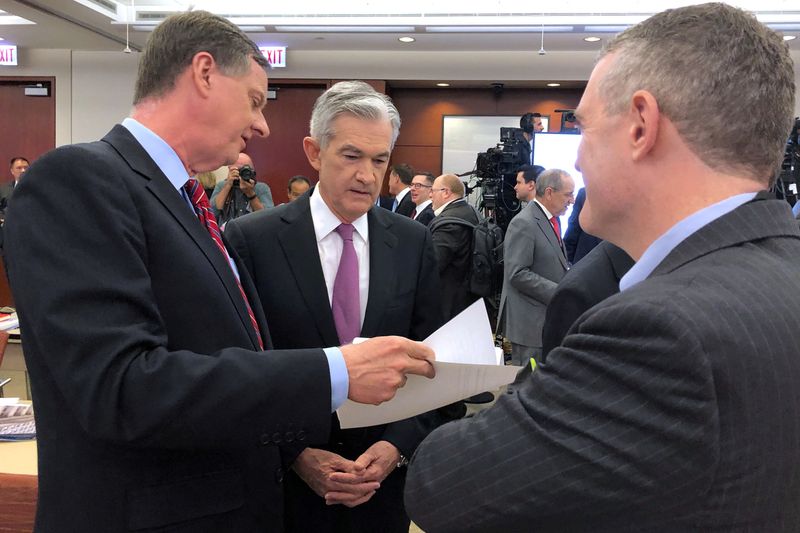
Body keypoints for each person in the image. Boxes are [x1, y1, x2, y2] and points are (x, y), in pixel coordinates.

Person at [2, 12, 436, 533]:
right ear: (204, 73)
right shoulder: (80, 179)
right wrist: (336, 372)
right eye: (255, 99)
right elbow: (122, 387)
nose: (262, 124)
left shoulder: (185, 204)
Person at [405, 4, 800, 531]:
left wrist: (539, 385)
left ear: (641, 125)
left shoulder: (657, 330)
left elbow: (442, 486)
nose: (581, 162)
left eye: (585, 129)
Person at [225, 80, 447, 533]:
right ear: (313, 151)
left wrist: (395, 448)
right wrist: (296, 455)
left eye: (380, 159)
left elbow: (433, 360)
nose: (367, 174)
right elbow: (238, 368)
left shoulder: (413, 242)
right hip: (284, 489)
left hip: (380, 488)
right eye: (351, 156)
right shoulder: (253, 241)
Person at [497, 168, 574, 365]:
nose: (572, 200)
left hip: (545, 323)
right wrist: (558, 292)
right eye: (568, 194)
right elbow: (517, 273)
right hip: (530, 327)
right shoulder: (524, 223)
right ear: (549, 192)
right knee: (528, 387)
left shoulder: (551, 220)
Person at [429, 173, 480, 321]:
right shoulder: (472, 212)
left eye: (433, 190)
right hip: (470, 299)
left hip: (450, 304)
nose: (430, 195)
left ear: (446, 192)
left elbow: (433, 265)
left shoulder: (449, 223)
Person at [210, 151, 273, 226]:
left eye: (244, 170)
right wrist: (228, 185)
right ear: (230, 170)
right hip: (227, 234)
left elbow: (268, 218)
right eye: (237, 170)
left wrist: (250, 193)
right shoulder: (222, 186)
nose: (241, 173)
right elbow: (211, 214)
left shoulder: (261, 188)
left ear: (252, 171)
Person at [563, 187, 602, 263]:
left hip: (585, 262)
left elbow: (573, 229)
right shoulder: (585, 193)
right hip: (585, 261)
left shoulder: (586, 193)